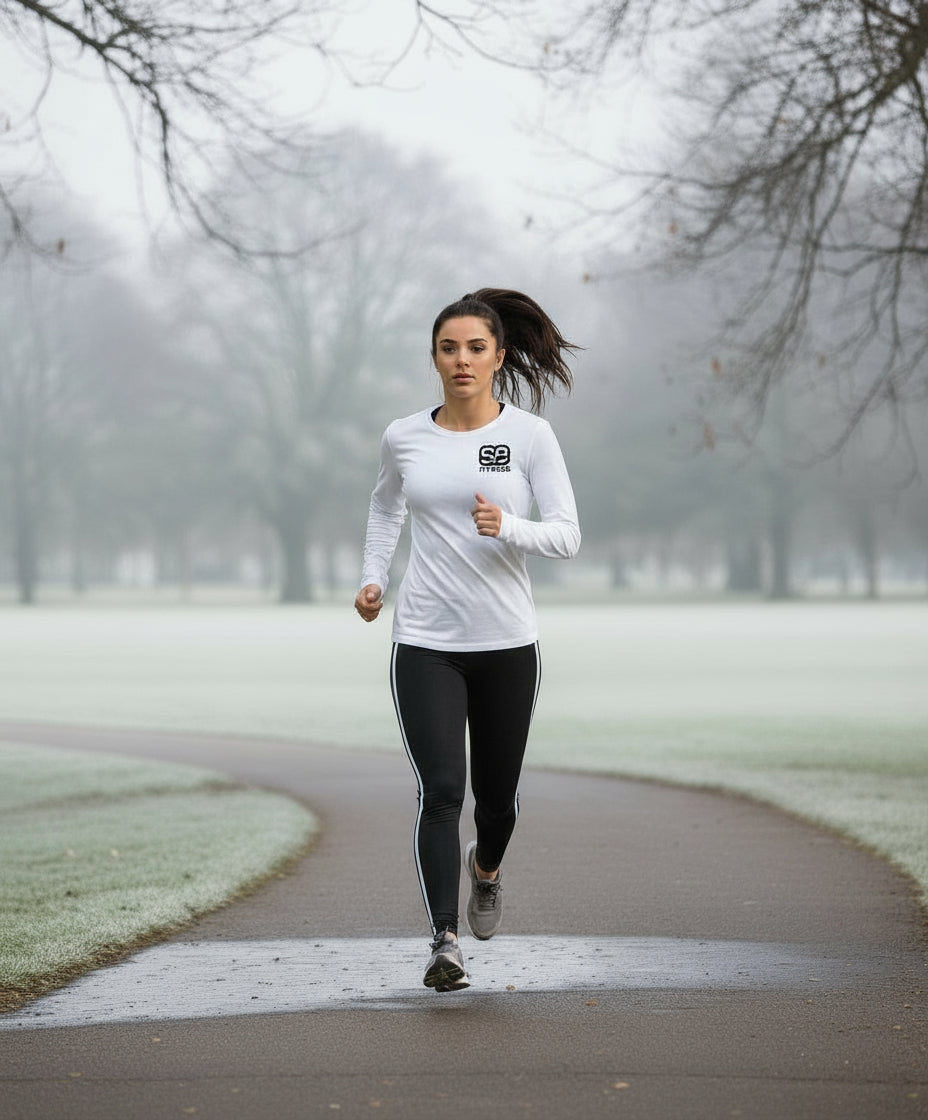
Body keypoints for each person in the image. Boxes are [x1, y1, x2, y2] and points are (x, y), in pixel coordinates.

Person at [354, 288, 580, 992]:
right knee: (441, 790)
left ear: (498, 356)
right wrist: (372, 580)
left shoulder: (530, 437)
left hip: (507, 642)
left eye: (475, 348)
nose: (462, 360)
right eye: (449, 348)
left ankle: (486, 869)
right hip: (425, 640)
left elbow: (568, 535)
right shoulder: (404, 435)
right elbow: (385, 503)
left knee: (497, 803)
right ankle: (444, 941)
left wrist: (508, 527)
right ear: (434, 358)